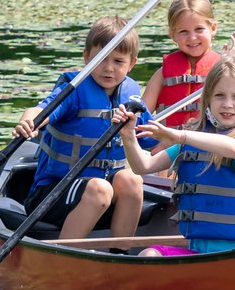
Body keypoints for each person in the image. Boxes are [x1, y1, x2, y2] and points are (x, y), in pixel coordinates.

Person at [117, 56, 235, 254]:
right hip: (197, 253)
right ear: (207, 99)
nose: (227, 104)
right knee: (149, 254)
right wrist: (128, 135)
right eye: (219, 95)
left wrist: (181, 135)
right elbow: (144, 166)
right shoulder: (192, 145)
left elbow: (233, 149)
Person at [15, 16, 150, 241]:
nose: (108, 68)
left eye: (118, 61)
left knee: (131, 180)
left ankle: (119, 254)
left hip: (102, 201)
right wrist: (28, 121)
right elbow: (41, 110)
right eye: (100, 58)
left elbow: (152, 138)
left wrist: (180, 139)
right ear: (86, 56)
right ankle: (64, 256)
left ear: (131, 63)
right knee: (100, 188)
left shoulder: (131, 95)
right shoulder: (74, 90)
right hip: (52, 195)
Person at [139, 0, 235, 130]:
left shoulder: (221, 69)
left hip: (209, 145)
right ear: (172, 35)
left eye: (199, 29)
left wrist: (229, 65)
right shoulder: (162, 74)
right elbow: (141, 115)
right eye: (183, 31)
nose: (192, 38)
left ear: (213, 28)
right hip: (168, 146)